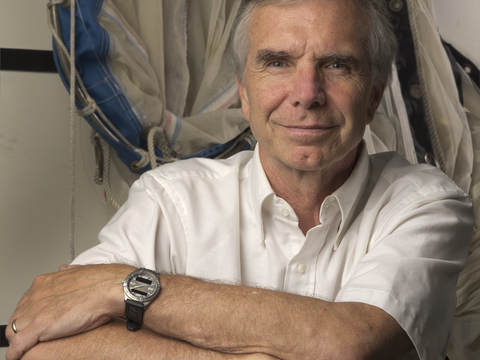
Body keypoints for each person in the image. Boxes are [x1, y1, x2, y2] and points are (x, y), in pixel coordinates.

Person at [5, 0, 474, 359]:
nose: (306, 94)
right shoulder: (171, 196)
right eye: (277, 62)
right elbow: (42, 348)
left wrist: (122, 287)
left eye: (336, 65)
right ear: (244, 96)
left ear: (373, 98)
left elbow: (348, 343)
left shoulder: (429, 203)